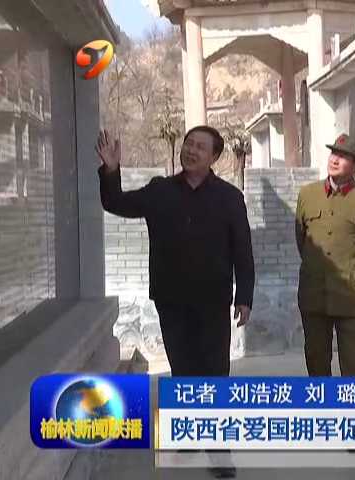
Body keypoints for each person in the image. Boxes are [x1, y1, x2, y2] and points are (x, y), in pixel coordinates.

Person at [96, 126, 254, 479]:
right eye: (188, 144)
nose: (191, 151)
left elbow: (242, 249)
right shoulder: (160, 191)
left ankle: (218, 448)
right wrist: (110, 170)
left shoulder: (229, 197)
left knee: (214, 372)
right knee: (183, 369)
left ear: (214, 157)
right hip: (171, 300)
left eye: (200, 147)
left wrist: (244, 296)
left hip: (213, 301)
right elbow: (115, 203)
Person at [295, 133, 355, 377]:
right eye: (334, 153)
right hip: (315, 292)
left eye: (343, 157)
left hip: (352, 295)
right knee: (316, 361)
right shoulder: (308, 194)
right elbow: (302, 240)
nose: (335, 160)